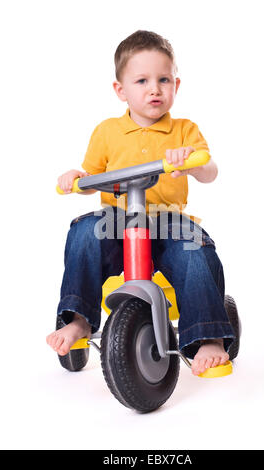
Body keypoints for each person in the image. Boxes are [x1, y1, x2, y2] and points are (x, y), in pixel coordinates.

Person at [46, 30, 234, 376]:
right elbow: (92, 177)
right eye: (142, 80)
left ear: (176, 84)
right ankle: (78, 319)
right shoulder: (106, 132)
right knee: (84, 233)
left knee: (195, 249)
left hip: (167, 221)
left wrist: (190, 160)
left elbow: (210, 171)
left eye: (164, 80)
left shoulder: (183, 130)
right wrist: (76, 178)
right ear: (121, 90)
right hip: (116, 221)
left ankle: (209, 336)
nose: (155, 89)